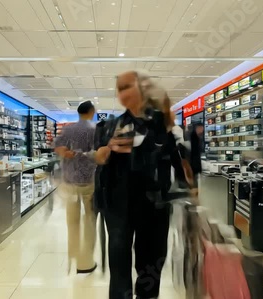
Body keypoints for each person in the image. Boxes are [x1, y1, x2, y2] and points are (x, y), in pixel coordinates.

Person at [94, 71, 185, 299]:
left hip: (153, 204)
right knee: (119, 262)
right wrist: (104, 153)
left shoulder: (162, 124)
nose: (123, 92)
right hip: (117, 207)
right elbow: (99, 160)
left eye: (128, 86)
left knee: (151, 261)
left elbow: (179, 160)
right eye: (120, 88)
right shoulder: (108, 127)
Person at [54, 101, 97, 274]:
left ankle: (72, 254)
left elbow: (58, 148)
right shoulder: (94, 131)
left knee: (72, 221)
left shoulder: (67, 130)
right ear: (91, 112)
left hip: (69, 180)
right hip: (88, 180)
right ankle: (85, 260)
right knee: (89, 219)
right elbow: (99, 153)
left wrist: (66, 153)